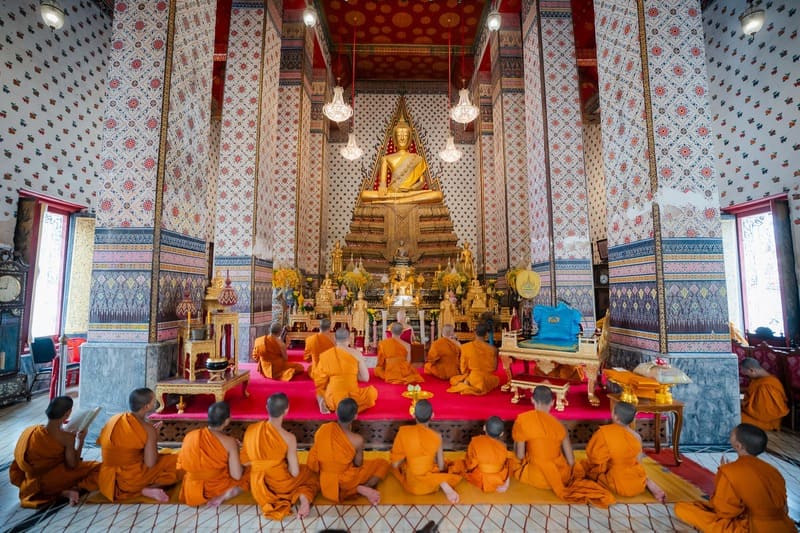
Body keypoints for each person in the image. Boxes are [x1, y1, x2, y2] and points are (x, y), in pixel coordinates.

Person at [674, 423, 795, 532]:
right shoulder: (773, 471)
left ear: (738, 446)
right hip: (785, 527)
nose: (730, 435)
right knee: (701, 506)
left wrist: (725, 474)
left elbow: (725, 512)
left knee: (682, 508)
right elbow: (784, 509)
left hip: (750, 528)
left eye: (732, 434)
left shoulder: (730, 471)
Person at [512, 386, 614, 506]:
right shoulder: (559, 425)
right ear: (552, 402)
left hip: (534, 475)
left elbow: (519, 455)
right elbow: (571, 461)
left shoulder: (523, 420)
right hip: (560, 475)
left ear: (532, 400)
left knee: (511, 460)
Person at [9, 395, 100, 508]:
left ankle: (61, 493)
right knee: (99, 468)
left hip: (30, 483)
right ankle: (74, 489)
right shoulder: (67, 438)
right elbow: (73, 465)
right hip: (52, 482)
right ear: (67, 414)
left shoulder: (31, 431)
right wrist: (80, 441)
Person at [241, 393, 319, 520]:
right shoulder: (289, 438)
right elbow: (294, 472)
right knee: (310, 475)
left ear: (267, 407)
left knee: (246, 474)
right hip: (281, 485)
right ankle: (304, 501)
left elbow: (245, 461)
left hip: (258, 485)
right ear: (287, 410)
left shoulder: (252, 429)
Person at [97, 388, 180, 502]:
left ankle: (141, 489)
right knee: (180, 462)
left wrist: (148, 438)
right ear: (146, 407)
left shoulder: (114, 419)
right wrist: (153, 437)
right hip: (133, 480)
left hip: (108, 478)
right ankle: (146, 489)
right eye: (153, 401)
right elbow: (151, 463)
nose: (155, 403)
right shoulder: (148, 429)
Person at [307, 398, 390, 504]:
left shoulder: (323, 429)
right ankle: (361, 488)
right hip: (346, 481)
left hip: (325, 481)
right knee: (383, 463)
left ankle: (353, 490)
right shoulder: (357, 439)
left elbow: (314, 456)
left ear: (336, 412)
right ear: (355, 416)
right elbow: (358, 464)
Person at [580, 401, 665, 502]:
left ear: (615, 417)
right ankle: (647, 481)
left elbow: (594, 457)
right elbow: (638, 461)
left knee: (586, 467)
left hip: (616, 481)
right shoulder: (636, 436)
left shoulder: (605, 432)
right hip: (636, 482)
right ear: (632, 419)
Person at [177, 401, 249, 507]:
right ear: (227, 421)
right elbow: (237, 476)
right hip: (216, 488)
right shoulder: (230, 442)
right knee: (254, 469)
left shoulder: (190, 435)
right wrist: (236, 451)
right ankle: (227, 493)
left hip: (192, 490)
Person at [390, 399, 461, 503]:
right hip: (430, 486)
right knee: (444, 463)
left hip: (412, 485)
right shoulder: (437, 436)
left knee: (400, 465)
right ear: (432, 415)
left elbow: (395, 464)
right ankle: (441, 482)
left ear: (413, 415)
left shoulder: (403, 432)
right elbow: (441, 467)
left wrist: (408, 455)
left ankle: (437, 480)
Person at [360, 116, 442, 204]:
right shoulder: (386, 158)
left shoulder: (417, 158)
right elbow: (382, 184)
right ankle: (400, 200)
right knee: (364, 194)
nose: (402, 138)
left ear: (409, 138)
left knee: (438, 194)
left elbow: (422, 182)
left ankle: (398, 201)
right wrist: (383, 189)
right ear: (395, 139)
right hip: (392, 193)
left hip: (410, 193)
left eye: (405, 135)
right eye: (399, 135)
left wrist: (411, 189)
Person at [315, 328, 378, 414]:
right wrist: (352, 374)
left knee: (321, 391)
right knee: (372, 393)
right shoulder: (356, 354)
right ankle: (348, 409)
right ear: (349, 339)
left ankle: (325, 402)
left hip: (333, 399)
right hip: (352, 399)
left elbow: (320, 382)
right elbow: (365, 378)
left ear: (334, 338)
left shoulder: (325, 355)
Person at [457, 416, 516, 493]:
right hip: (498, 478)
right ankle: (505, 482)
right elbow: (507, 464)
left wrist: (467, 468)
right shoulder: (503, 447)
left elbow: (470, 464)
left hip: (479, 478)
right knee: (510, 460)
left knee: (459, 465)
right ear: (501, 434)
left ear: (484, 428)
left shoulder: (476, 441)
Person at [447, 322, 500, 395]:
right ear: (486, 334)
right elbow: (494, 368)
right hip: (487, 379)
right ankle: (470, 383)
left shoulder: (465, 347)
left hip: (474, 377)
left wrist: (466, 374)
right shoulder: (494, 349)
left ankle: (468, 382)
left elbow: (463, 368)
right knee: (496, 380)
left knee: (455, 379)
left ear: (474, 332)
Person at [740, 357, 789, 431]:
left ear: (752, 370)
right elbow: (753, 392)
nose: (748, 377)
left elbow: (762, 412)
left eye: (747, 374)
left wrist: (742, 403)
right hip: (755, 414)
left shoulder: (766, 386)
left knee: (734, 417)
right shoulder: (761, 379)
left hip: (767, 421)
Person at [304, 318, 336, 409]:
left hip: (317, 371)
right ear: (330, 327)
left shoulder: (310, 340)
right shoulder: (333, 340)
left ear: (319, 326)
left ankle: (322, 397)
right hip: (330, 371)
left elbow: (306, 359)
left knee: (309, 368)